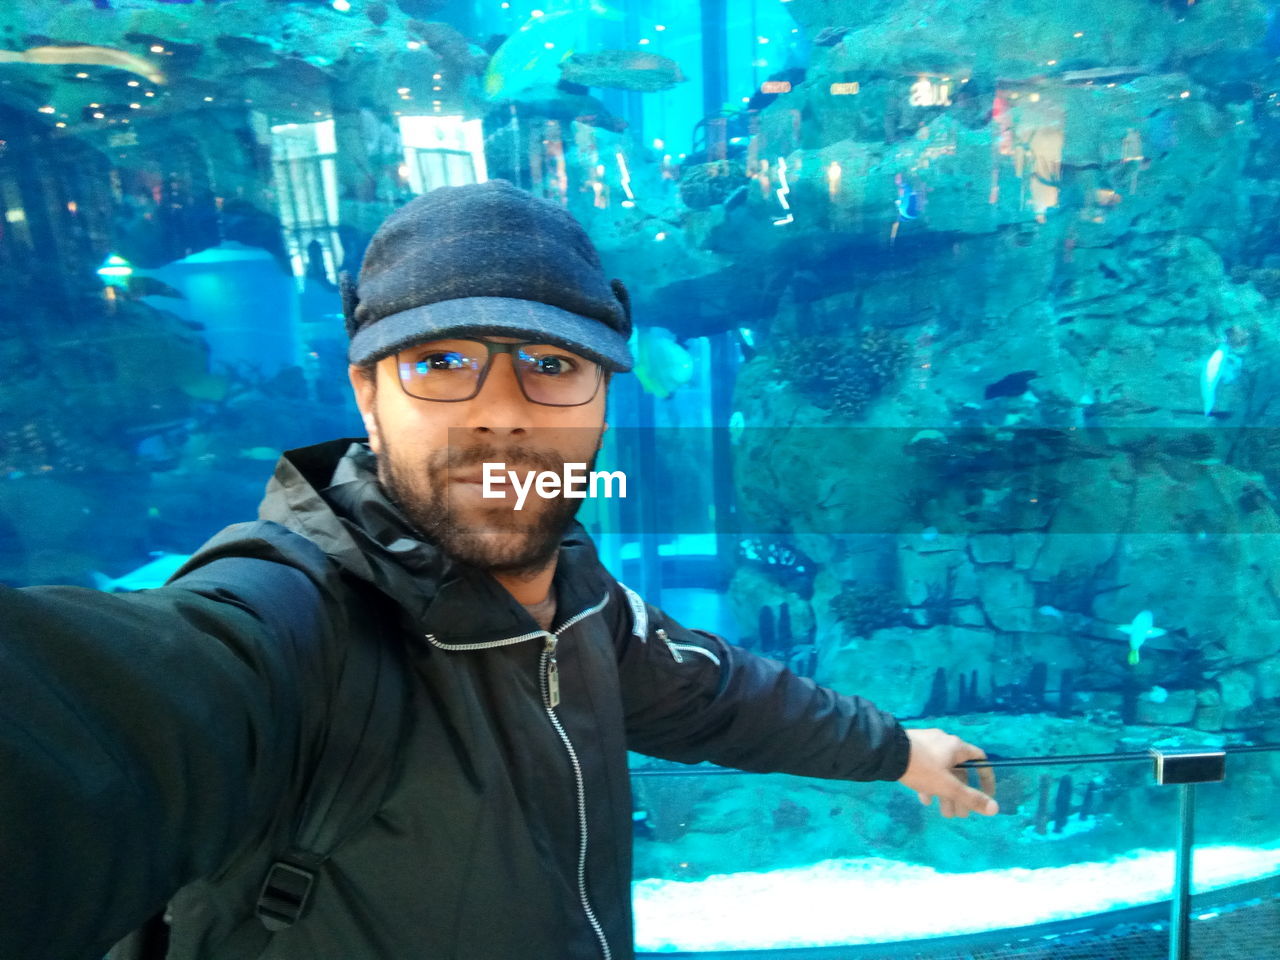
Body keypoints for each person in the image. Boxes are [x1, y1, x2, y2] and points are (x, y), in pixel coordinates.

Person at [0, 178, 998, 960]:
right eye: (440, 363)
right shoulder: (291, 621)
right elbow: (105, 722)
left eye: (551, 364)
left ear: (605, 395)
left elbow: (716, 694)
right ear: (365, 392)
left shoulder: (579, 604)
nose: (501, 411)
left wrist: (896, 750)